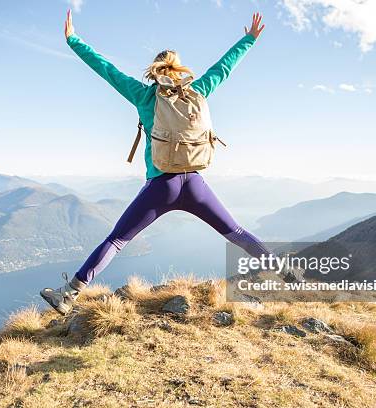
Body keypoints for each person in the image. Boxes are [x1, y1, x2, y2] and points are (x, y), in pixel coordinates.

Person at [41, 10, 275, 315]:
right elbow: (224, 67)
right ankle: (285, 276)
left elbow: (106, 69)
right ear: (180, 71)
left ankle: (68, 294)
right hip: (194, 183)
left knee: (116, 240)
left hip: (160, 186)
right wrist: (249, 39)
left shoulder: (143, 96)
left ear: (154, 73)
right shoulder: (198, 91)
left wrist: (74, 41)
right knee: (237, 233)